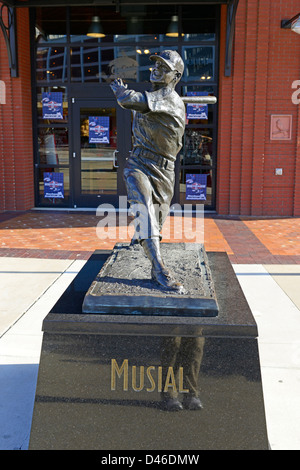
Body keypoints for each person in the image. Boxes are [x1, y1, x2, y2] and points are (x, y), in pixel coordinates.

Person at [110, 50, 186, 293]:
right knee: (146, 212)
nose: (156, 69)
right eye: (155, 65)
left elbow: (130, 101)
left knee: (157, 221)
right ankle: (159, 268)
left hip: (164, 170)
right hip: (138, 164)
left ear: (175, 76)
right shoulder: (154, 96)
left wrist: (122, 91)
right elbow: (137, 103)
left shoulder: (169, 99)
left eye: (164, 68)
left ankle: (144, 242)